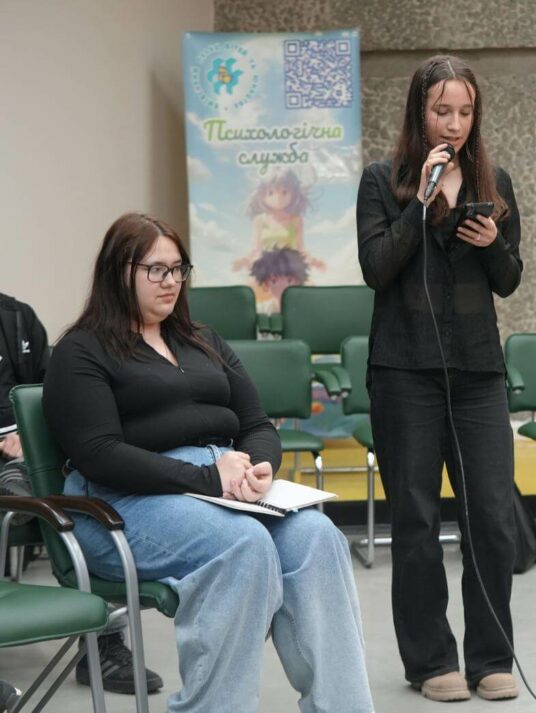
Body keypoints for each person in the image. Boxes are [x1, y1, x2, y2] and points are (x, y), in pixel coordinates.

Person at [43, 213, 373, 712]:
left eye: (178, 268)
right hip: (120, 502)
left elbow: (256, 423)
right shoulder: (81, 351)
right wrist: (205, 478)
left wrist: (260, 467)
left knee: (319, 537)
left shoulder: (202, 340)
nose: (171, 281)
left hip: (218, 487)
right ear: (118, 272)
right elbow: (100, 454)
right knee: (242, 545)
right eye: (156, 269)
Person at [357, 55, 522, 703]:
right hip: (404, 372)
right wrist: (421, 204)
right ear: (418, 113)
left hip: (478, 371)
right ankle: (429, 661)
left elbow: (508, 279)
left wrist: (491, 243)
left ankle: (491, 657)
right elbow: (376, 267)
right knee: (417, 521)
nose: (454, 124)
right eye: (441, 111)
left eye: (464, 111)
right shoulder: (383, 180)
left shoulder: (494, 181)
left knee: (492, 517)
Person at [0, 291, 165, 695]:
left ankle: (102, 648)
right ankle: (19, 486)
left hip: (27, 451)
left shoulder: (16, 317)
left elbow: (52, 395)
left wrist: (30, 439)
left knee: (88, 484)